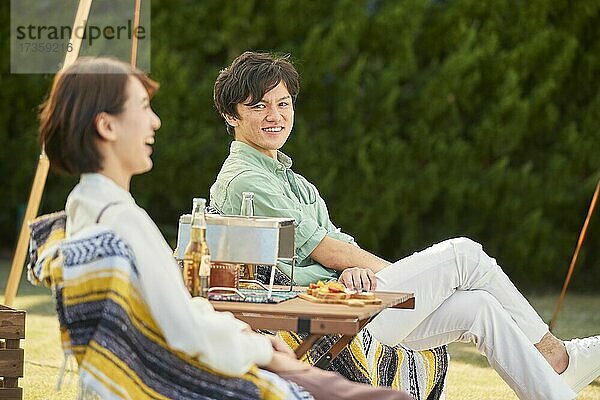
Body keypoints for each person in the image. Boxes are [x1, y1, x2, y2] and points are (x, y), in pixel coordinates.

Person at [209, 51, 600, 400]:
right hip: (320, 318)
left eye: (283, 103)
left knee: (480, 306)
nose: (275, 116)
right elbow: (325, 249)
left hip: (342, 303)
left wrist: (359, 269)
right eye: (259, 106)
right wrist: (397, 282)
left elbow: (335, 243)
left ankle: (554, 389)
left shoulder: (288, 176)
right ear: (232, 115)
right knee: (463, 254)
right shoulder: (245, 178)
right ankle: (556, 356)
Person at [34, 56, 410, 400]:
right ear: (107, 125)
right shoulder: (122, 223)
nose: (155, 121)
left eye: (282, 103)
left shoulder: (86, 213)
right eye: (145, 108)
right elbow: (185, 330)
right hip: (209, 382)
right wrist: (264, 350)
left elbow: (177, 315)